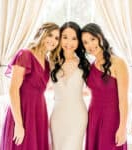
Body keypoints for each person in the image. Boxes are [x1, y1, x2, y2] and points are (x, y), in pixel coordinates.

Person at [0, 22, 60, 150]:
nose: (53, 40)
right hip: (22, 113)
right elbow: (13, 90)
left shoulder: (47, 62)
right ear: (41, 34)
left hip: (39, 112)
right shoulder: (25, 54)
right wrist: (19, 124)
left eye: (57, 38)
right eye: (50, 35)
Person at [81, 23, 128, 150]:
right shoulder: (90, 67)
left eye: (92, 39)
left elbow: (123, 100)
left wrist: (123, 127)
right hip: (93, 117)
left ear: (100, 37)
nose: (90, 45)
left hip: (111, 118)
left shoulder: (118, 63)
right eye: (85, 42)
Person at [50, 21, 90, 150]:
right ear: (60, 39)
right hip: (58, 116)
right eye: (65, 37)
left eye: (74, 38)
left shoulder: (84, 64)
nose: (69, 42)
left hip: (78, 116)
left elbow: (98, 88)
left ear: (79, 42)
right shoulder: (51, 61)